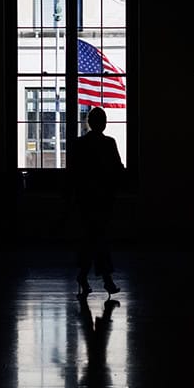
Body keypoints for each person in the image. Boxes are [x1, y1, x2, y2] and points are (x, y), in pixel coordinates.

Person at [69, 106, 124, 297]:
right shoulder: (109, 143)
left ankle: (85, 276)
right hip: (103, 199)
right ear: (104, 123)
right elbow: (118, 169)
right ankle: (104, 280)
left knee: (90, 239)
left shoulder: (79, 144)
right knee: (99, 239)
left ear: (89, 123)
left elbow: (73, 173)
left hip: (85, 199)